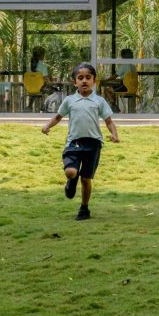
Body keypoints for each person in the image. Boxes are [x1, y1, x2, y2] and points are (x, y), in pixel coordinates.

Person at [42, 61, 119, 220]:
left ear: (94, 81)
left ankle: (84, 208)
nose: (84, 81)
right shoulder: (70, 100)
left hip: (94, 144)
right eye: (80, 78)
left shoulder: (99, 101)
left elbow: (109, 121)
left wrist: (114, 134)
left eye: (88, 77)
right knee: (71, 172)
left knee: (86, 179)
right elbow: (58, 116)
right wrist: (48, 126)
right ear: (75, 82)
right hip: (74, 142)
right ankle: (71, 181)